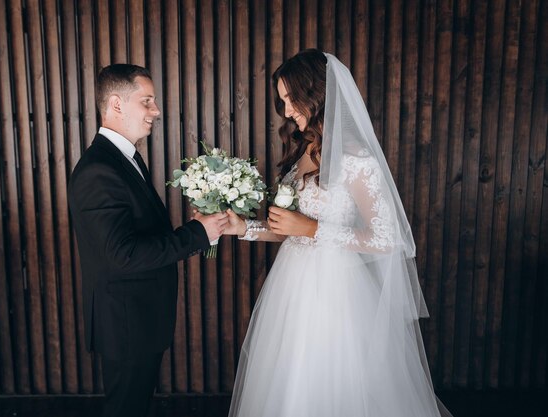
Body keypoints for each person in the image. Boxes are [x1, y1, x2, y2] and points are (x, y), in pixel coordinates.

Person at [224, 49, 452, 417]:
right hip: (291, 289)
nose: (285, 111)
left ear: (316, 94)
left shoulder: (356, 158)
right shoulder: (307, 149)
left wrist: (313, 228)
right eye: (281, 101)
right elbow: (290, 230)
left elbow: (387, 240)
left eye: (290, 99)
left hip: (335, 295)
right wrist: (243, 228)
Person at [68, 64, 228, 417]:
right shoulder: (99, 169)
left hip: (138, 317)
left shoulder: (123, 158)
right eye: (148, 101)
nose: (156, 111)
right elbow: (121, 255)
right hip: (125, 322)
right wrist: (198, 233)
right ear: (116, 104)